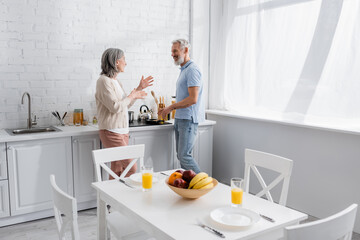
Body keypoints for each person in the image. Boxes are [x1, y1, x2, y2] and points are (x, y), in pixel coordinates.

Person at [95, 48, 153, 178]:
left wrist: (138, 89)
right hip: (111, 132)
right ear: (116, 62)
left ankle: (112, 196)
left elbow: (125, 105)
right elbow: (115, 107)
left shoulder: (117, 82)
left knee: (117, 169)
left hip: (123, 132)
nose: (125, 63)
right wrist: (132, 96)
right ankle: (125, 195)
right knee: (131, 167)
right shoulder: (103, 81)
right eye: (124, 59)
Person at [158, 39, 205, 173]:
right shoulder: (184, 70)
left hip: (188, 119)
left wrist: (170, 107)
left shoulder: (192, 70)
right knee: (181, 156)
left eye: (175, 51)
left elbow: (192, 98)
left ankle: (204, 184)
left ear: (185, 50)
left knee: (184, 156)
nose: (172, 54)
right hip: (181, 118)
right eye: (172, 51)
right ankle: (191, 187)